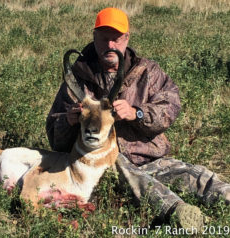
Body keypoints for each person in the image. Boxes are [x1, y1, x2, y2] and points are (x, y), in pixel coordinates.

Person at [46, 7, 230, 232]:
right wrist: (70, 120)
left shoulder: (147, 72)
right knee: (121, 166)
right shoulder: (76, 80)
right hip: (105, 165)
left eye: (116, 39)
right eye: (104, 39)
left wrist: (138, 113)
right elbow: (56, 138)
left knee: (196, 176)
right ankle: (176, 210)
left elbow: (171, 107)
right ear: (94, 37)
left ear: (127, 38)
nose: (110, 45)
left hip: (149, 157)